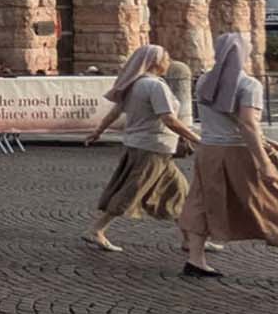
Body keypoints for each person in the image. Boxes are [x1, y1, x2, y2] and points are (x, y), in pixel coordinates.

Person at [179, 33, 278, 284]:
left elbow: (227, 121)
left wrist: (264, 140)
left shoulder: (204, 81)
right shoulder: (248, 84)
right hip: (239, 153)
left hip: (209, 150)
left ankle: (195, 260)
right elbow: (247, 124)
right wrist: (265, 162)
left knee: (202, 201)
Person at [81, 45, 201, 252]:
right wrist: (195, 138)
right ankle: (96, 229)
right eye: (167, 58)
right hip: (152, 148)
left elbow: (115, 112)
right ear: (155, 62)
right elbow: (169, 119)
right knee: (131, 191)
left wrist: (98, 131)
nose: (169, 62)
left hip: (149, 147)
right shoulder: (155, 87)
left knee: (179, 192)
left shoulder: (134, 84)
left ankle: (190, 239)